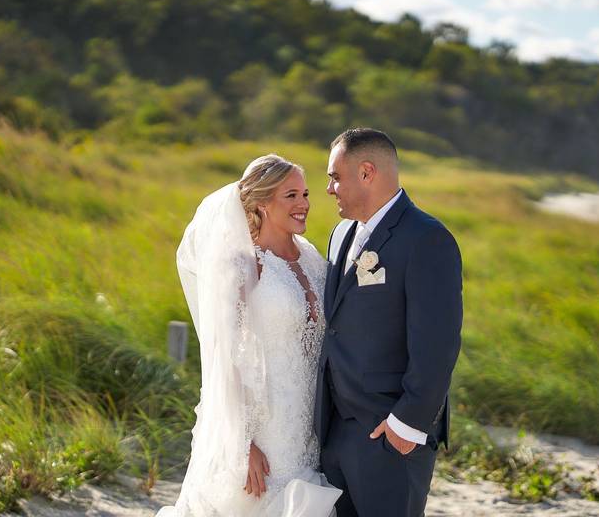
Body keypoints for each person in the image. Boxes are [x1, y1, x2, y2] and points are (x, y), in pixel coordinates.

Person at [157, 154, 342, 517]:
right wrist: (242, 444)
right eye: (290, 196)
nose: (303, 204)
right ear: (261, 202)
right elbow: (225, 358)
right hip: (261, 428)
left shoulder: (311, 257)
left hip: (306, 425)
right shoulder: (242, 264)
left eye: (305, 194)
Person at [315, 128, 463, 517]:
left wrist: (406, 425)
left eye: (335, 177)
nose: (329, 189)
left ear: (366, 172)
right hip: (335, 431)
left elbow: (438, 345)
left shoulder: (427, 239)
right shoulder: (340, 234)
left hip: (390, 435)